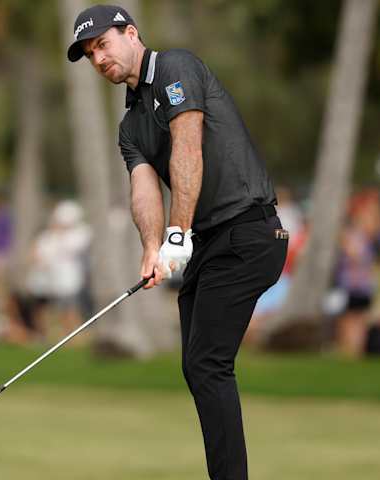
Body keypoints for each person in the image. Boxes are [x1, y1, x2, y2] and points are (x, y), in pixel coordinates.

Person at [67, 6, 287, 479]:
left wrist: (176, 233)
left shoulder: (175, 67)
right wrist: (152, 247)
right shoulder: (130, 126)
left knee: (207, 363)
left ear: (131, 33)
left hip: (249, 231)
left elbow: (188, 145)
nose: (98, 59)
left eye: (103, 44)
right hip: (211, 244)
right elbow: (144, 188)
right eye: (90, 54)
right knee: (199, 366)